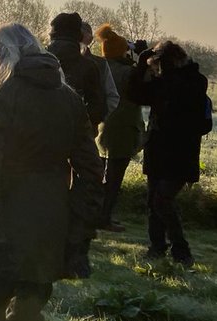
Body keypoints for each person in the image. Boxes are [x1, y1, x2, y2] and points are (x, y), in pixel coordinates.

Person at [0, 24, 103, 321]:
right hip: (50, 220)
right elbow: (91, 170)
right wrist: (79, 228)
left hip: (1, 216)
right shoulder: (69, 98)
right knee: (28, 317)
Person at [129, 41, 209, 266]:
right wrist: (141, 65)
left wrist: (159, 67)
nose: (156, 70)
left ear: (168, 62)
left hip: (180, 153)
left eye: (157, 65)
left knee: (162, 200)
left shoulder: (193, 81)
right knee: (154, 201)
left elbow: (176, 93)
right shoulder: (166, 82)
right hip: (160, 150)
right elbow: (136, 95)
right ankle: (157, 247)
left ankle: (181, 250)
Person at [94, 24, 145, 233]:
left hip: (102, 129)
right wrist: (141, 57)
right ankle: (104, 218)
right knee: (114, 179)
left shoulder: (99, 68)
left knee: (101, 176)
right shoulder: (127, 72)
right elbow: (142, 87)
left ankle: (95, 214)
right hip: (123, 129)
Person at [47, 13, 107, 128]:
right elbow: (98, 107)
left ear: (53, 36)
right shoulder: (88, 66)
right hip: (77, 136)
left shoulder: (41, 62)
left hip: (42, 135)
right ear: (78, 37)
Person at [81, 22, 120, 121]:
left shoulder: (100, 64)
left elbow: (112, 96)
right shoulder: (57, 60)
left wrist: (97, 118)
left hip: (89, 127)